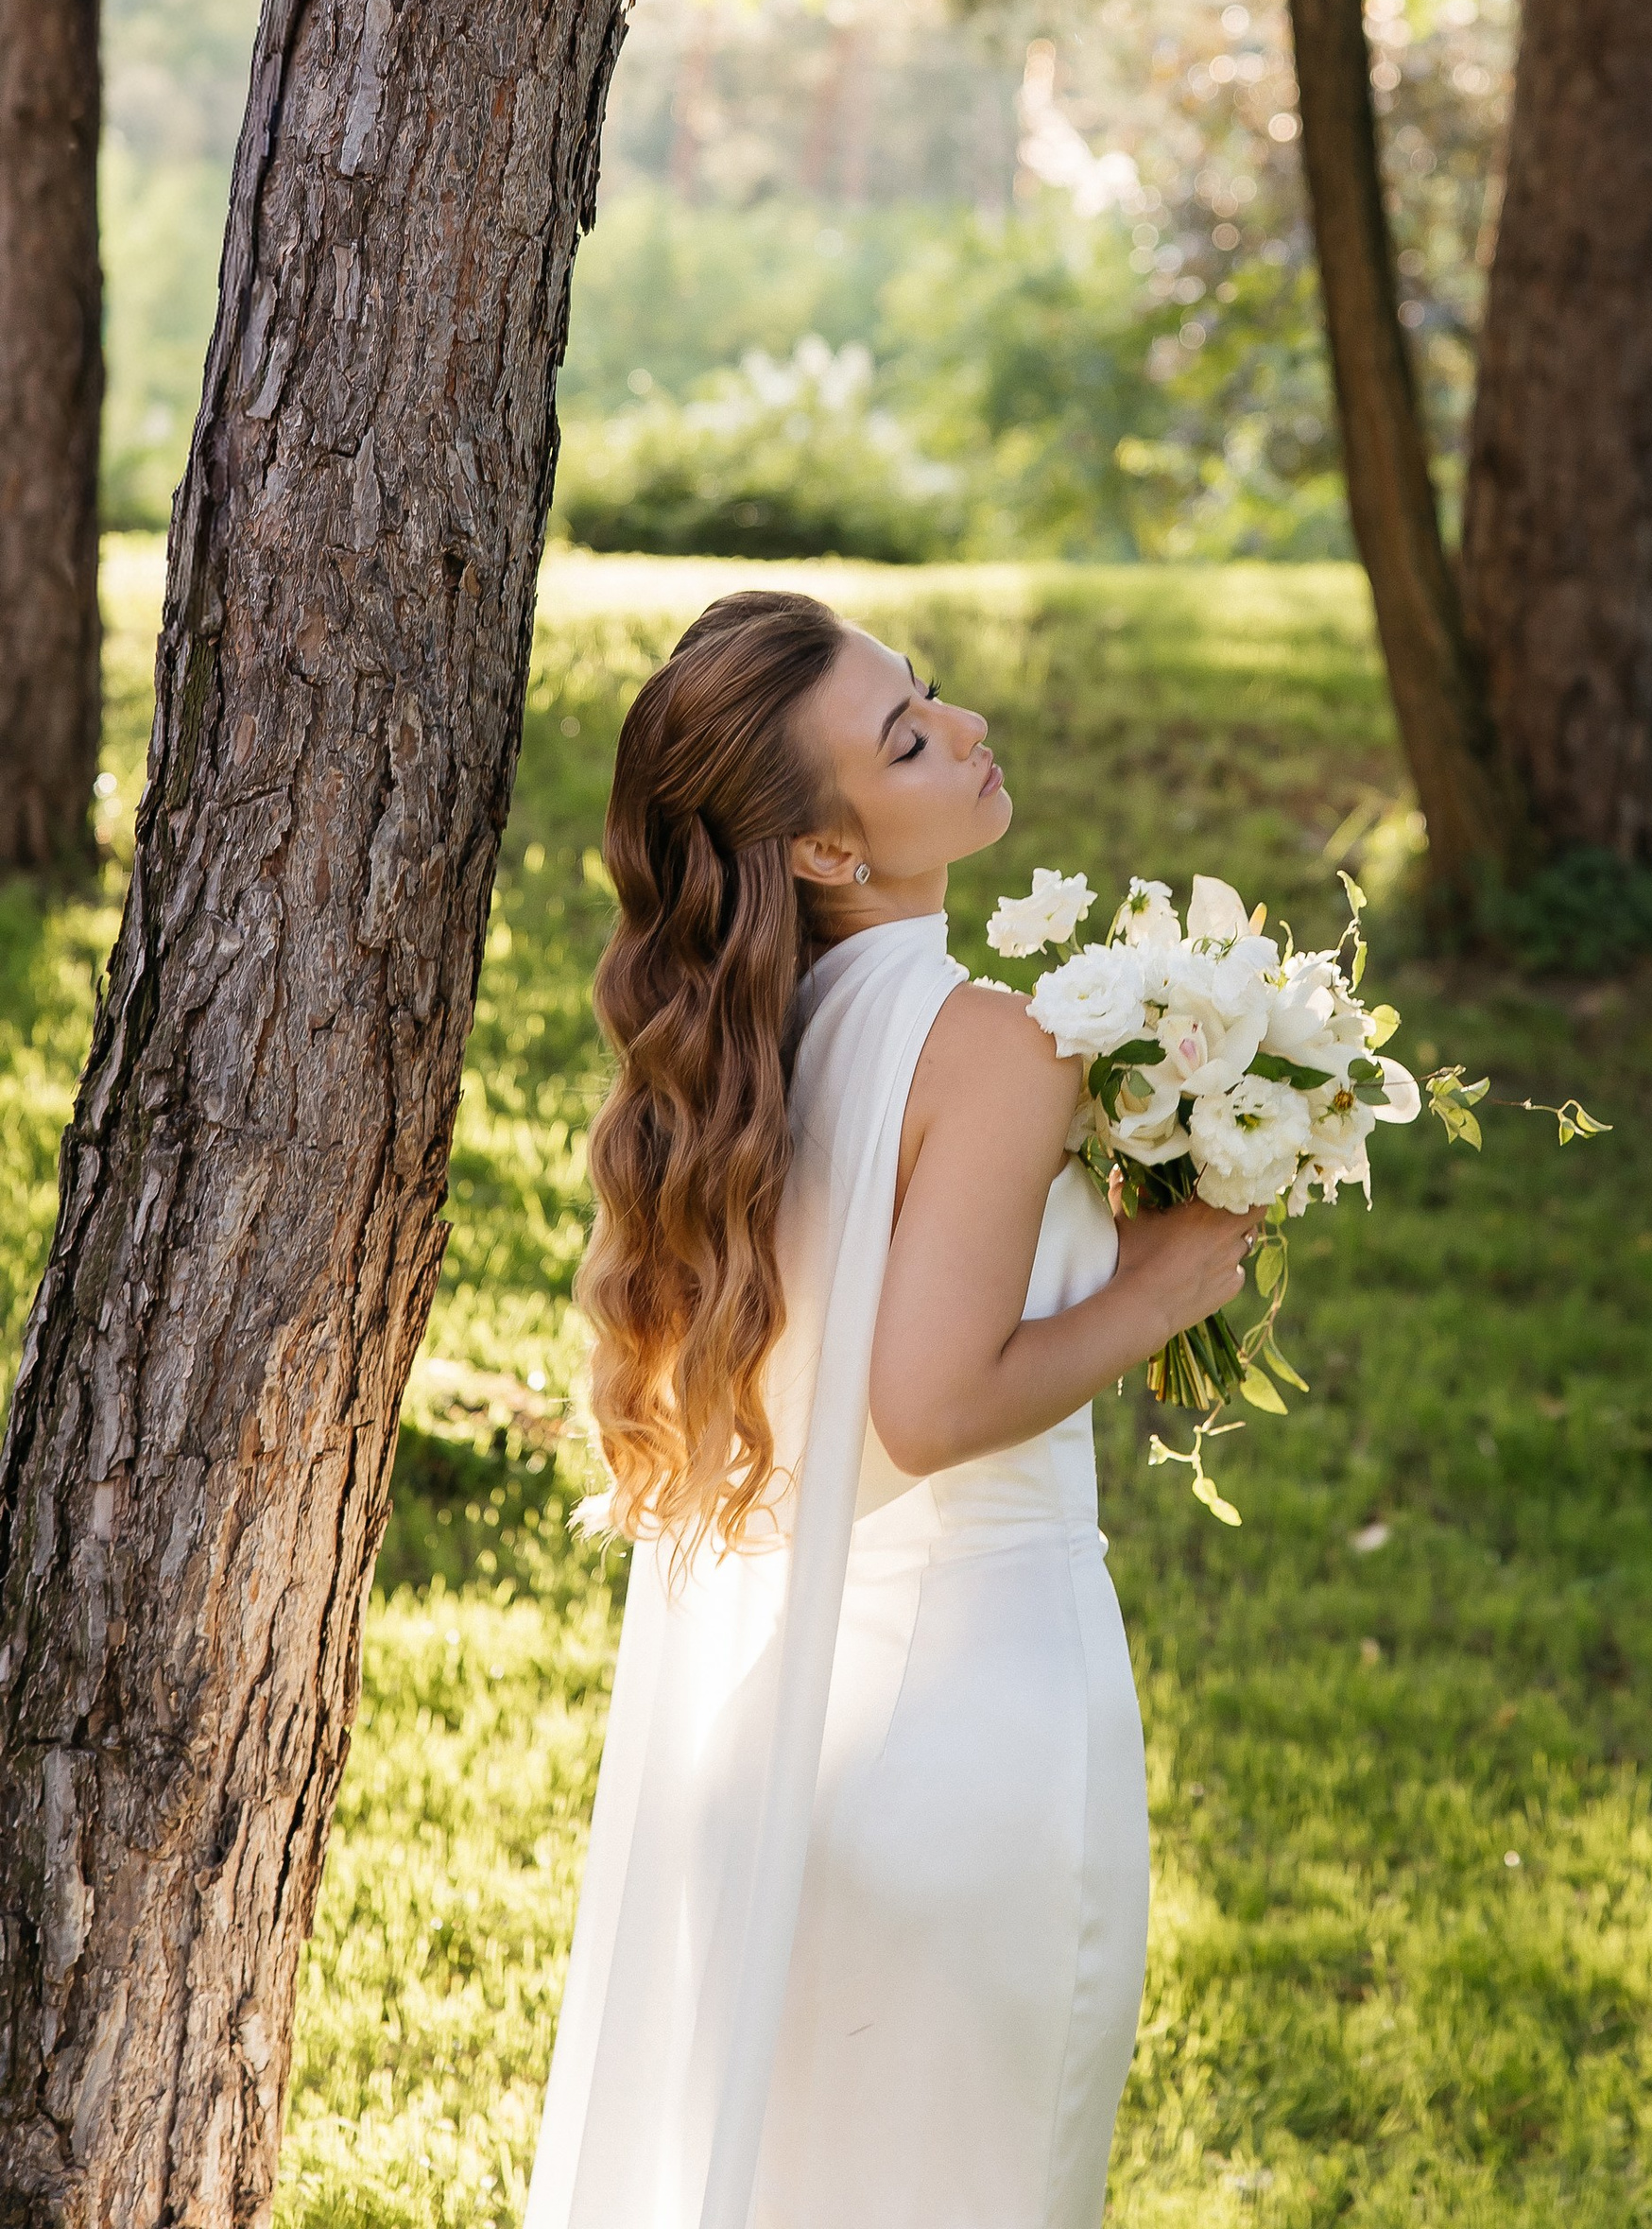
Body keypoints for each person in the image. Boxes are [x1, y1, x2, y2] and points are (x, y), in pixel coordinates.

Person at [525, 589, 1257, 2229]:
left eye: (925, 693)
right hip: (977, 1740)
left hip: (788, 1755)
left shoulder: (759, 1051)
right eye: (908, 738)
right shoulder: (995, 1045)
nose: (966, 727)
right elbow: (926, 1408)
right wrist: (1158, 1290)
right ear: (825, 853)